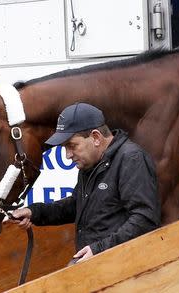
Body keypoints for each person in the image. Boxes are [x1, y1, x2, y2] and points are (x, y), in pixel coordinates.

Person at [10, 102, 161, 264]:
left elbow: (145, 218)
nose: (68, 155)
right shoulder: (90, 163)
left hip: (123, 268)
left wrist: (99, 250)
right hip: (95, 265)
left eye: (72, 146)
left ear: (96, 137)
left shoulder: (131, 158)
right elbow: (75, 206)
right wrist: (34, 212)